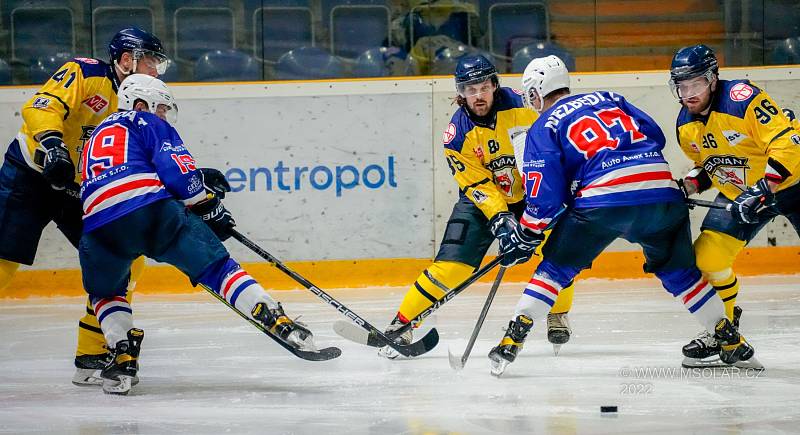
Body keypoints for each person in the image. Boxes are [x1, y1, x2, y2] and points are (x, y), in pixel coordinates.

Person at [486, 55, 759, 377]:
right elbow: (654, 136)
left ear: (535, 93)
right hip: (662, 194)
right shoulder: (611, 98)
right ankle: (728, 336)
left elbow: (545, 198)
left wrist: (527, 234)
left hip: (602, 203)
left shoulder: (541, 128)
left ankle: (513, 337)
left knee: (554, 270)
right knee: (681, 274)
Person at [78, 74, 318, 395]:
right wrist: (210, 207)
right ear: (140, 104)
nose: (163, 114)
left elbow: (118, 175)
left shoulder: (96, 135)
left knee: (107, 293)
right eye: (160, 107)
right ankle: (271, 314)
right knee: (217, 268)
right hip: (151, 210)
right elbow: (179, 178)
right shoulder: (148, 122)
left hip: (97, 223)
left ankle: (122, 353)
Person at [0, 27, 171, 385]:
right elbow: (40, 106)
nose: (157, 69)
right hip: (31, 175)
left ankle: (92, 353)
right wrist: (54, 146)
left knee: (123, 259)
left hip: (80, 191)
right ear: (127, 60)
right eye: (152, 60)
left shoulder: (141, 102)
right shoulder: (85, 73)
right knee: (2, 261)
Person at [378, 54, 576, 359]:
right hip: (481, 203)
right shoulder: (456, 136)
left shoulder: (526, 106)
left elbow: (557, 142)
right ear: (460, 92)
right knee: (451, 266)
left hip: (534, 194)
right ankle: (402, 324)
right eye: (470, 89)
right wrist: (500, 218)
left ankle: (556, 313)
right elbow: (477, 184)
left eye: (483, 87)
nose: (478, 95)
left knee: (560, 250)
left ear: (494, 85)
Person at [669, 44, 800, 367]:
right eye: (681, 85)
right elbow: (710, 167)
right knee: (706, 257)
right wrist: (688, 184)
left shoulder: (743, 100)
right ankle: (722, 331)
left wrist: (764, 188)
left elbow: (788, 144)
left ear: (713, 78)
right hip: (740, 194)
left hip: (793, 184)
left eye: (695, 83)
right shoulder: (686, 125)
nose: (688, 93)